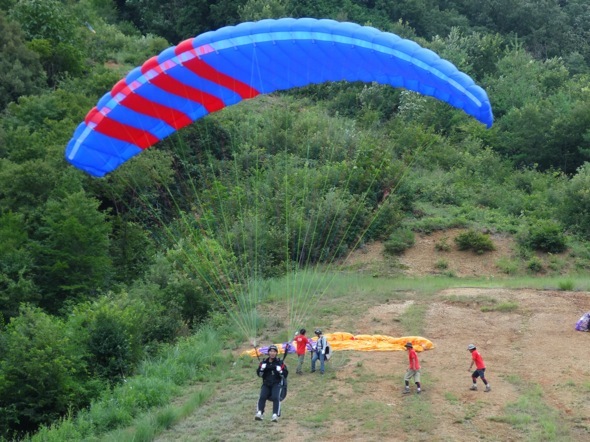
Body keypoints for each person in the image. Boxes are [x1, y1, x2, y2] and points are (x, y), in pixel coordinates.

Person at [255, 344, 288, 422]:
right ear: (268, 352)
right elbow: (260, 375)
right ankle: (260, 412)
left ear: (276, 353)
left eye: (274, 351)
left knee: (276, 397)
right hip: (266, 383)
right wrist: (261, 369)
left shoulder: (280, 363)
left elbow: (284, 375)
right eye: (271, 351)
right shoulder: (264, 363)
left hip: (276, 383)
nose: (272, 353)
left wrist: (280, 371)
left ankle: (275, 415)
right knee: (262, 396)